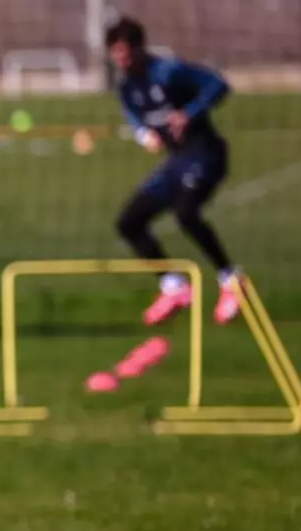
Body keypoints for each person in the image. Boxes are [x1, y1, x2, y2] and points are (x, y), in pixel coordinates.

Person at [108, 16, 244, 326]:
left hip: (206, 155)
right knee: (129, 223)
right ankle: (174, 287)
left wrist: (189, 114)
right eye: (116, 55)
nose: (121, 61)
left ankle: (231, 280)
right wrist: (143, 133)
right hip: (176, 162)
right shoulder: (128, 87)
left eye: (125, 54)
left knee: (185, 213)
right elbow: (132, 115)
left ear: (139, 48)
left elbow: (219, 85)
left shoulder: (169, 72)